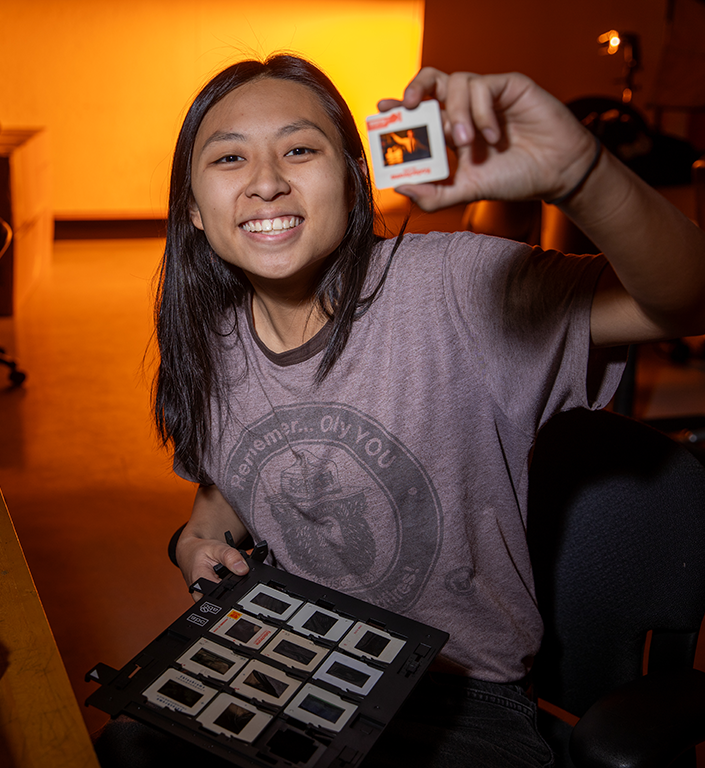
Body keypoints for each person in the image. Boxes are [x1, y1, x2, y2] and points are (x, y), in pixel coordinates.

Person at [95, 54, 705, 767]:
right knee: (128, 745)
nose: (265, 181)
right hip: (296, 663)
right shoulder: (210, 339)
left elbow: (686, 302)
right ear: (193, 208)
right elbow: (222, 486)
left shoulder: (454, 288)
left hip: (463, 702)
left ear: (356, 182)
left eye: (299, 149)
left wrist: (582, 176)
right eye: (230, 157)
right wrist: (195, 541)